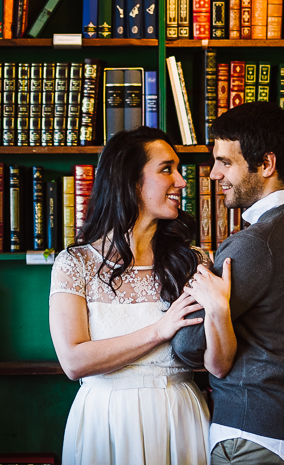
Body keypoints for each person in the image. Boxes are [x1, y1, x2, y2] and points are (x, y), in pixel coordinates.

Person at [173, 101, 284, 464]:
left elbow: (188, 344)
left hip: (256, 436)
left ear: (266, 164)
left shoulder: (254, 244)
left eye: (225, 162)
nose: (213, 175)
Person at [49, 126, 229, 464]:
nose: (182, 181)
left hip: (180, 416)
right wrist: (160, 329)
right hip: (107, 421)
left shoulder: (195, 261)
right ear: (130, 181)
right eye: (166, 169)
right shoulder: (75, 264)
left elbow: (217, 359)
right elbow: (73, 362)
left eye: (178, 169)